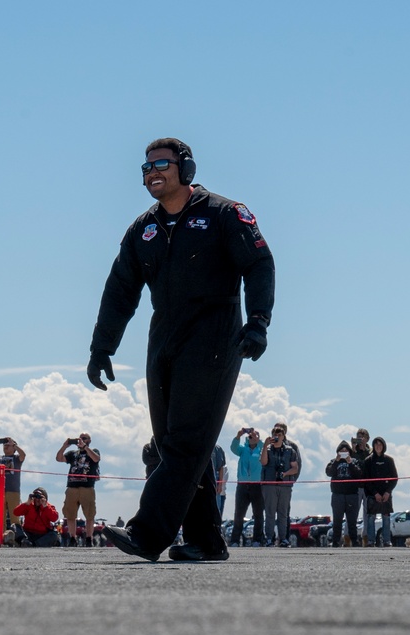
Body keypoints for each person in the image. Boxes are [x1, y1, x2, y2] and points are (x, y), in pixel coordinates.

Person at [90, 138, 275, 563]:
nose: (152, 172)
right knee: (170, 442)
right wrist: (102, 348)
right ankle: (206, 539)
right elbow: (120, 290)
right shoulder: (144, 228)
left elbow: (260, 264)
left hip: (214, 335)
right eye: (146, 167)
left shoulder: (226, 214)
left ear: (185, 169)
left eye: (161, 164)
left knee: (186, 441)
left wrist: (259, 321)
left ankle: (147, 532)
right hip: (164, 337)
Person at [56, 433, 101, 546]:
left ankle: (89, 538)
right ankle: (72, 538)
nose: (81, 440)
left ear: (89, 440)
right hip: (72, 487)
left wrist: (85, 447)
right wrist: (65, 446)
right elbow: (59, 458)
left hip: (87, 487)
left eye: (84, 438)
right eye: (79, 439)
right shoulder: (73, 454)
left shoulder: (93, 451)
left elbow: (96, 459)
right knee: (70, 515)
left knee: (90, 515)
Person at [260, 425, 299, 547]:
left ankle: (283, 539)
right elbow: (263, 462)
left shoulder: (290, 451)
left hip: (285, 485)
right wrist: (265, 446)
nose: (277, 436)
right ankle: (269, 539)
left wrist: (286, 473)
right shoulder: (268, 449)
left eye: (279, 434)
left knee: (283, 513)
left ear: (284, 436)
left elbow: (295, 468)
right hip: (269, 484)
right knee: (270, 513)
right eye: (275, 434)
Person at [229, 427, 264, 547]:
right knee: (239, 514)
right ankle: (234, 540)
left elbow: (266, 449)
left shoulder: (261, 449)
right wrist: (238, 435)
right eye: (250, 437)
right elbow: (233, 448)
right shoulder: (243, 450)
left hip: (257, 485)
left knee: (258, 514)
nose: (252, 438)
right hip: (243, 485)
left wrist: (258, 440)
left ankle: (257, 540)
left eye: (254, 436)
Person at [326, 442, 362, 547]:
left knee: (352, 520)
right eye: (341, 451)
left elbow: (359, 474)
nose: (343, 453)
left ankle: (354, 541)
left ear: (349, 452)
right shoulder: (333, 461)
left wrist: (350, 463)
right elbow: (329, 472)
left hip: (352, 495)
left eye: (346, 451)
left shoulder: (355, 461)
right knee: (337, 520)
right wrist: (336, 461)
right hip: (337, 495)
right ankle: (336, 541)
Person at [363, 437, 398, 547]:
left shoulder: (389, 460)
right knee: (370, 517)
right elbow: (365, 480)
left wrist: (388, 492)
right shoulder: (368, 461)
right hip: (372, 494)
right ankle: (370, 541)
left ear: (383, 446)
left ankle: (387, 541)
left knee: (386, 517)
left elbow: (394, 478)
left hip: (386, 494)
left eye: (380, 444)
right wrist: (375, 493)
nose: (378, 446)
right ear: (373, 446)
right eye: (376, 444)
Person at [0, 437, 26, 530]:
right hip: (0, 491)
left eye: (8, 445)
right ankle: (1, 538)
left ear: (14, 448)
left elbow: (23, 455)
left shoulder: (16, 458)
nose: (6, 446)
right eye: (4, 445)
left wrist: (14, 444)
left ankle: (16, 537)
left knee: (15, 517)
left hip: (13, 491)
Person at [350, 429, 372, 545]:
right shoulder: (353, 451)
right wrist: (353, 449)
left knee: (367, 513)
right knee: (353, 513)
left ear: (367, 438)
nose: (360, 438)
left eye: (362, 436)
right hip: (356, 486)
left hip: (368, 486)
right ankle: (348, 537)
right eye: (358, 436)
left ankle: (366, 537)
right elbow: (350, 463)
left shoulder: (371, 451)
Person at [213, 444, 227, 516]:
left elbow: (221, 467)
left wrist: (220, 484)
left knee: (216, 509)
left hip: (214, 480)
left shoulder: (217, 449)